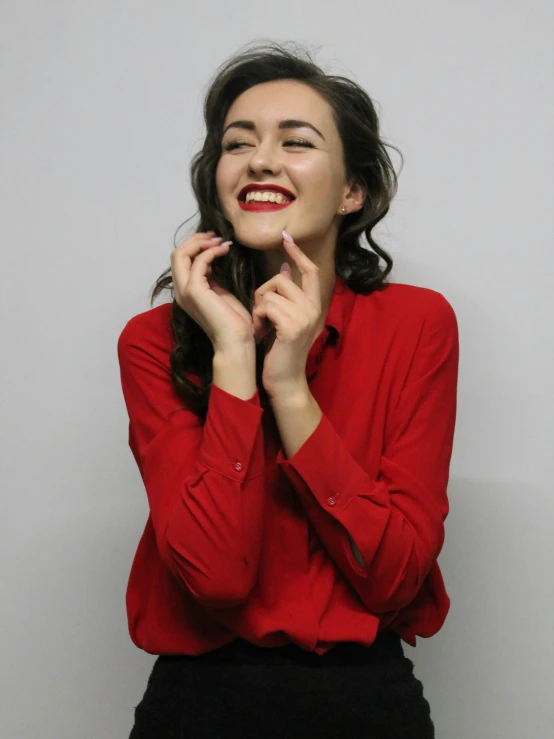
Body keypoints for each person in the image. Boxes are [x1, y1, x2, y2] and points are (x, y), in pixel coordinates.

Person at [117, 39, 459, 739]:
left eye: (296, 142)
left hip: (367, 702)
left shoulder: (418, 325)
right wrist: (235, 358)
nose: (261, 159)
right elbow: (215, 575)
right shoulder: (151, 342)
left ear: (353, 191)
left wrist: (291, 388)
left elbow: (394, 575)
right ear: (217, 177)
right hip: (196, 704)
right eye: (237, 144)